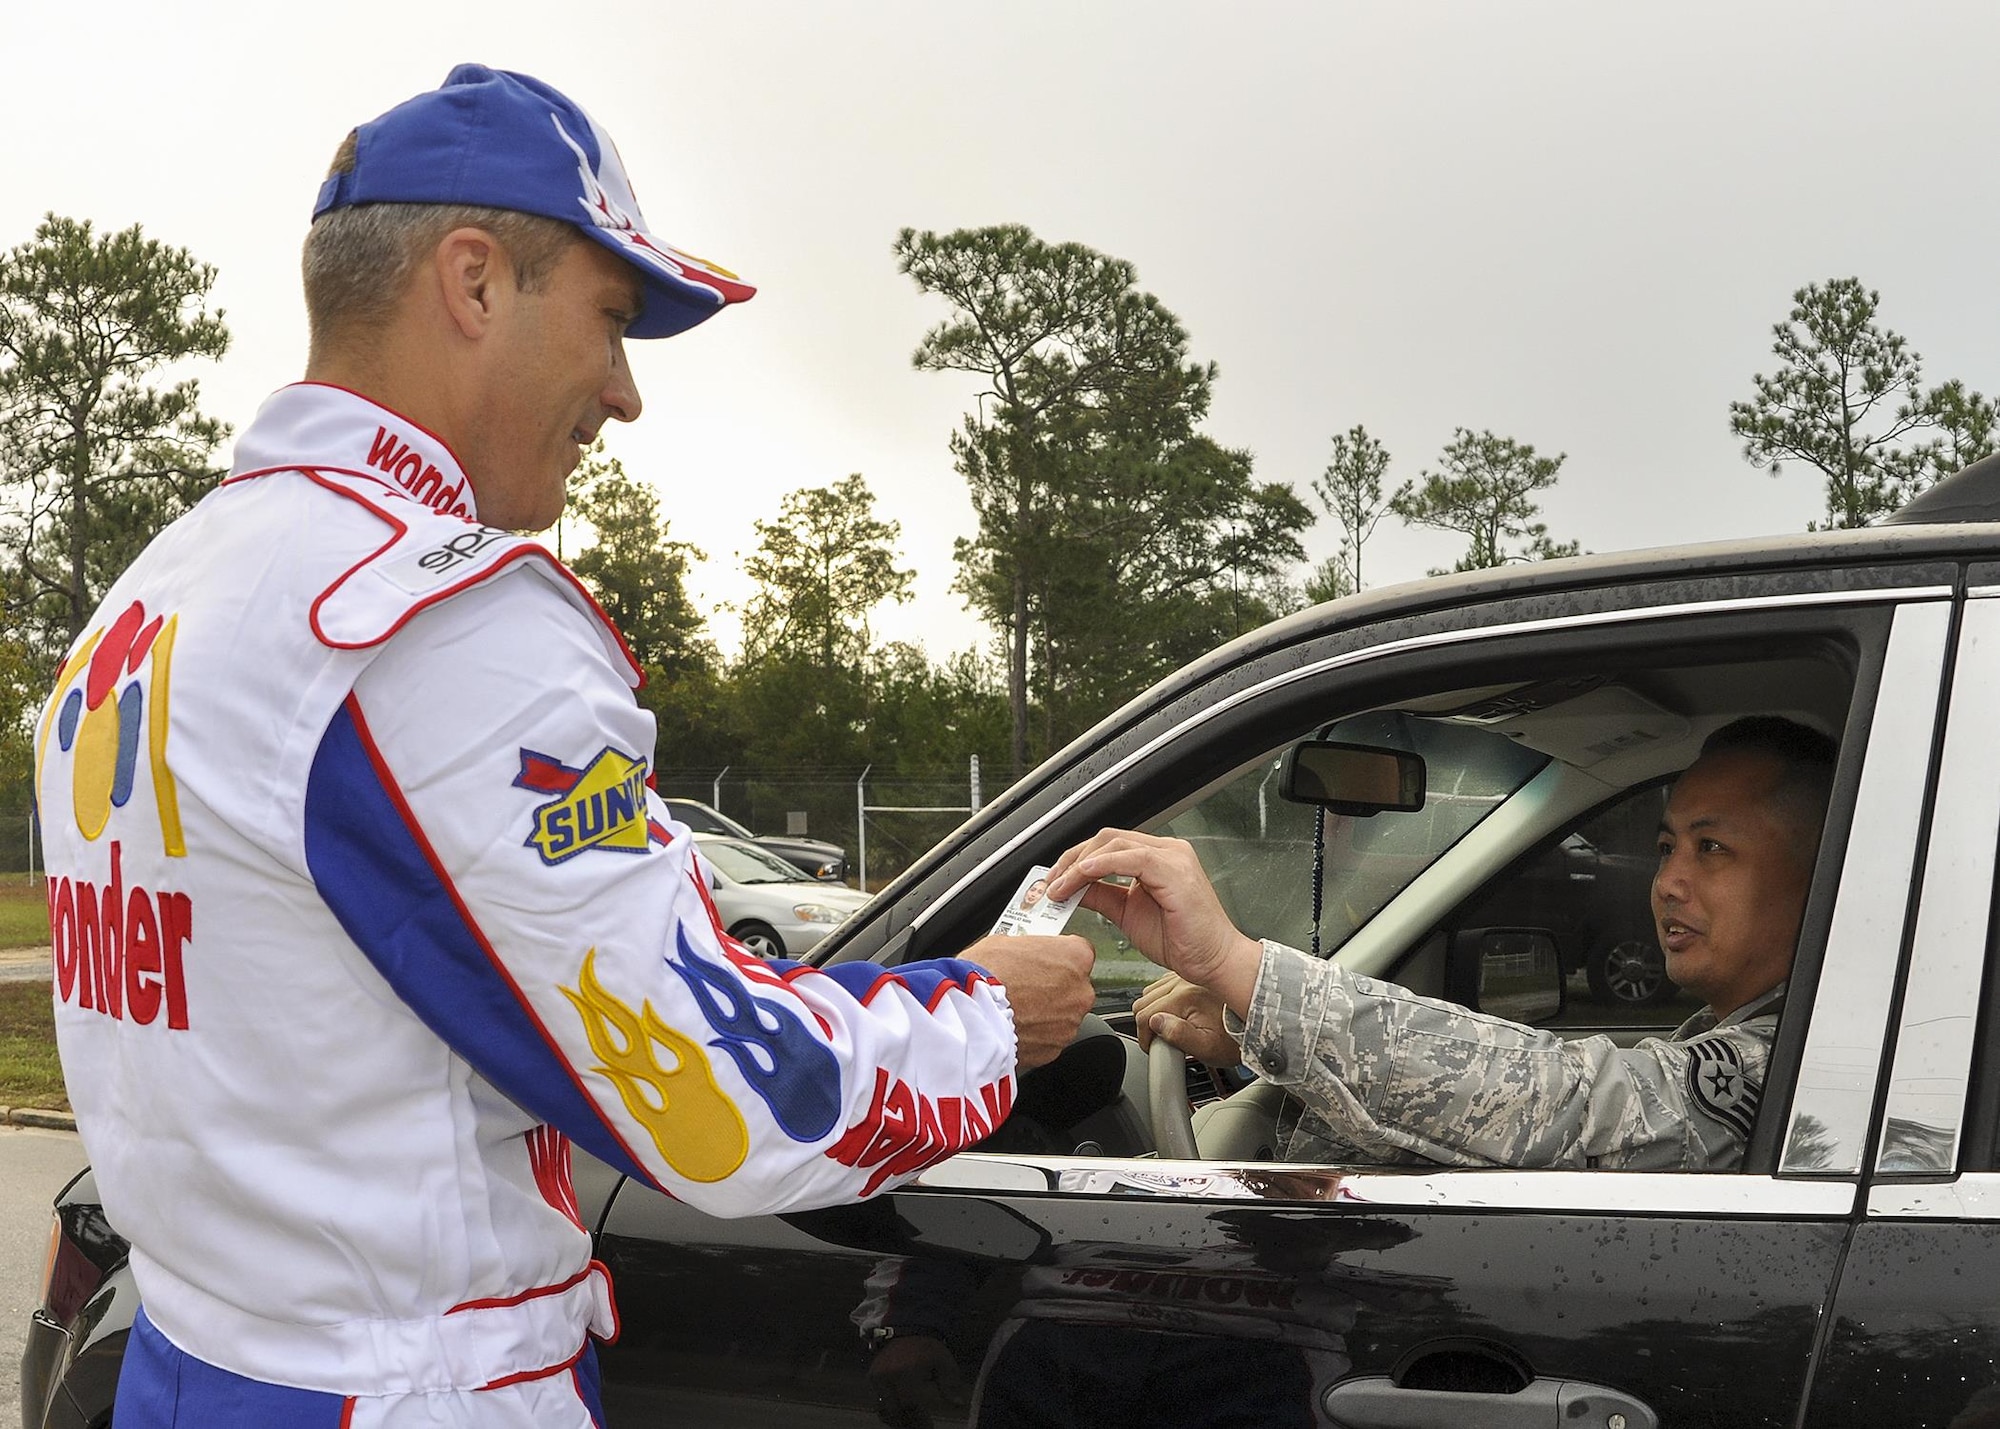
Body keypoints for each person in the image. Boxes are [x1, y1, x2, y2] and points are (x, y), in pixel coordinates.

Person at [35, 66, 1093, 1428]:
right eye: (610, 318)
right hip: (408, 1393)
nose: (624, 391)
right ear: (474, 284)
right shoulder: (439, 618)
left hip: (195, 1367)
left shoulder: (154, 597)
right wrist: (990, 1013)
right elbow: (713, 1101)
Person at [1045, 716, 1835, 1171]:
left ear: (1822, 874)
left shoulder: (1786, 1072)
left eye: (1713, 848)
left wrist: (1238, 967)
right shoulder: (1765, 1040)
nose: (1668, 881)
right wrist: (1258, 1030)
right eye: (1667, 846)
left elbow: (1559, 1100)